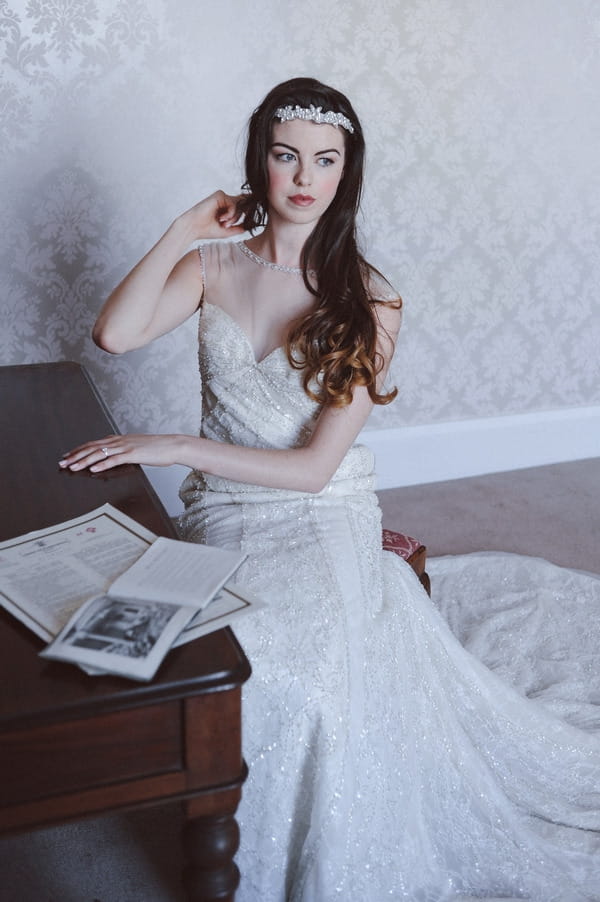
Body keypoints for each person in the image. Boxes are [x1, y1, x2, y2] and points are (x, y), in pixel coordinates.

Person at [60, 78, 600, 901]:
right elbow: (115, 332)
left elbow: (314, 469)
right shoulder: (211, 266)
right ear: (259, 165)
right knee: (237, 662)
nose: (303, 178)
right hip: (224, 510)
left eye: (325, 160)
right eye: (285, 157)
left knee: (297, 665)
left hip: (322, 511)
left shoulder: (372, 298)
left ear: (347, 174)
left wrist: (172, 444)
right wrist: (181, 228)